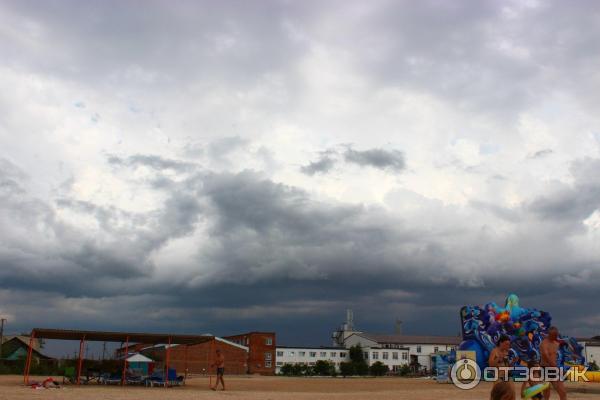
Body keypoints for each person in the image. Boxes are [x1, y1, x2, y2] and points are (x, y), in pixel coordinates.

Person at [540, 327, 567, 400]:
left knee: (563, 392)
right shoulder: (544, 344)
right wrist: (556, 368)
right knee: (546, 393)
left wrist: (573, 355)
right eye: (554, 335)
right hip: (545, 369)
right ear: (549, 334)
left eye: (556, 335)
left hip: (554, 369)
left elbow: (558, 354)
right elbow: (547, 356)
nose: (556, 336)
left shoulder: (556, 343)